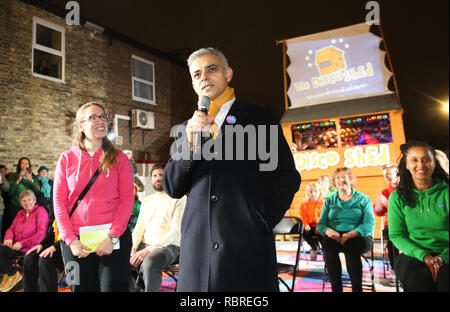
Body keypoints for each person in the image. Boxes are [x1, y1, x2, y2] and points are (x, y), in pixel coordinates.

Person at [162, 47, 301, 291]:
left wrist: (262, 219)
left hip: (246, 245)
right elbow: (172, 187)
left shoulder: (260, 118)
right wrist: (190, 144)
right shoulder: (187, 128)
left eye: (211, 69)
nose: (203, 76)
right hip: (198, 249)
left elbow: (286, 176)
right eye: (196, 74)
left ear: (228, 74)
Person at [53, 102, 134, 292]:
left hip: (113, 239)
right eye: (93, 117)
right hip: (75, 242)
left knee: (113, 289)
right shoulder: (66, 159)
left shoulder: (120, 158)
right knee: (78, 288)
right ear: (81, 125)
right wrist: (70, 240)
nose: (100, 121)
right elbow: (58, 201)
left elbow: (127, 200)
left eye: (103, 117)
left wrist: (112, 237)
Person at [388, 140, 449, 292]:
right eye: (414, 160)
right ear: (406, 165)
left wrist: (444, 258)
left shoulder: (446, 191)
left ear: (434, 163)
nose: (421, 165)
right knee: (418, 280)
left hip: (446, 252)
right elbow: (396, 235)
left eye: (426, 160)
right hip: (413, 254)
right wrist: (424, 256)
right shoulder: (397, 197)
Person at [317, 167, 375, 292]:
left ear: (351, 180)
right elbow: (321, 224)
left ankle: (356, 289)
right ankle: (336, 289)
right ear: (334, 182)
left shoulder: (363, 199)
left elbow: (369, 224)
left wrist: (351, 234)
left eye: (344, 177)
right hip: (335, 235)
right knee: (328, 247)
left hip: (359, 235)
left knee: (350, 248)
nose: (341, 180)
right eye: (338, 178)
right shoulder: (329, 201)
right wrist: (329, 231)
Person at [130, 163, 186, 292]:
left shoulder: (179, 198)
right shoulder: (147, 200)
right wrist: (132, 248)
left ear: (168, 176)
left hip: (170, 246)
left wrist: (148, 250)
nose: (158, 178)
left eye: (161, 175)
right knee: (122, 256)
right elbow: (139, 228)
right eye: (154, 175)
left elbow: (176, 232)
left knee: (150, 261)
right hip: (145, 244)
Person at [0, 190, 48, 292]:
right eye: (24, 201)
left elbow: (41, 234)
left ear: (34, 200)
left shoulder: (41, 211)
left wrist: (22, 243)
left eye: (29, 200)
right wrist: (8, 237)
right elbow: (11, 229)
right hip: (16, 247)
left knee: (2, 251)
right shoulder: (20, 213)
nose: (27, 203)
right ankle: (8, 275)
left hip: (30, 248)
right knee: (2, 249)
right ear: (21, 203)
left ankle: (12, 274)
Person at [23, 219, 64, 292]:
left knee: (45, 259)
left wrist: (55, 246)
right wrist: (41, 244)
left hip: (69, 246)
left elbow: (74, 235)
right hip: (56, 245)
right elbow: (52, 232)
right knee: (30, 257)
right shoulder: (58, 211)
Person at [373, 163, 399, 279]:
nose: (387, 177)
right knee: (390, 236)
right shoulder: (384, 192)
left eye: (389, 174)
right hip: (391, 225)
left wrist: (387, 204)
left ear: (397, 172)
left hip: (408, 223)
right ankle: (395, 270)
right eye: (385, 175)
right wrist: (378, 206)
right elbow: (379, 212)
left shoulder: (405, 188)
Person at [5, 157, 40, 233]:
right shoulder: (13, 176)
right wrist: (18, 179)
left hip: (28, 207)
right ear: (19, 165)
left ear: (29, 165)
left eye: (27, 163)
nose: (25, 165)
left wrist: (30, 179)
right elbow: (10, 192)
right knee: (14, 228)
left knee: (27, 229)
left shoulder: (34, 177)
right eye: (22, 163)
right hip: (15, 205)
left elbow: (37, 190)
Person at [296, 182, 324, 260]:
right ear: (308, 193)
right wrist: (306, 224)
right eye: (311, 192)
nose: (313, 194)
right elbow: (302, 216)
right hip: (310, 226)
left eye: (315, 191)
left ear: (319, 192)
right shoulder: (304, 204)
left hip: (321, 226)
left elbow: (324, 217)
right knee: (303, 231)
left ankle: (325, 250)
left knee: (324, 233)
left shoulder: (323, 203)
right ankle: (314, 247)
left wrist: (319, 226)